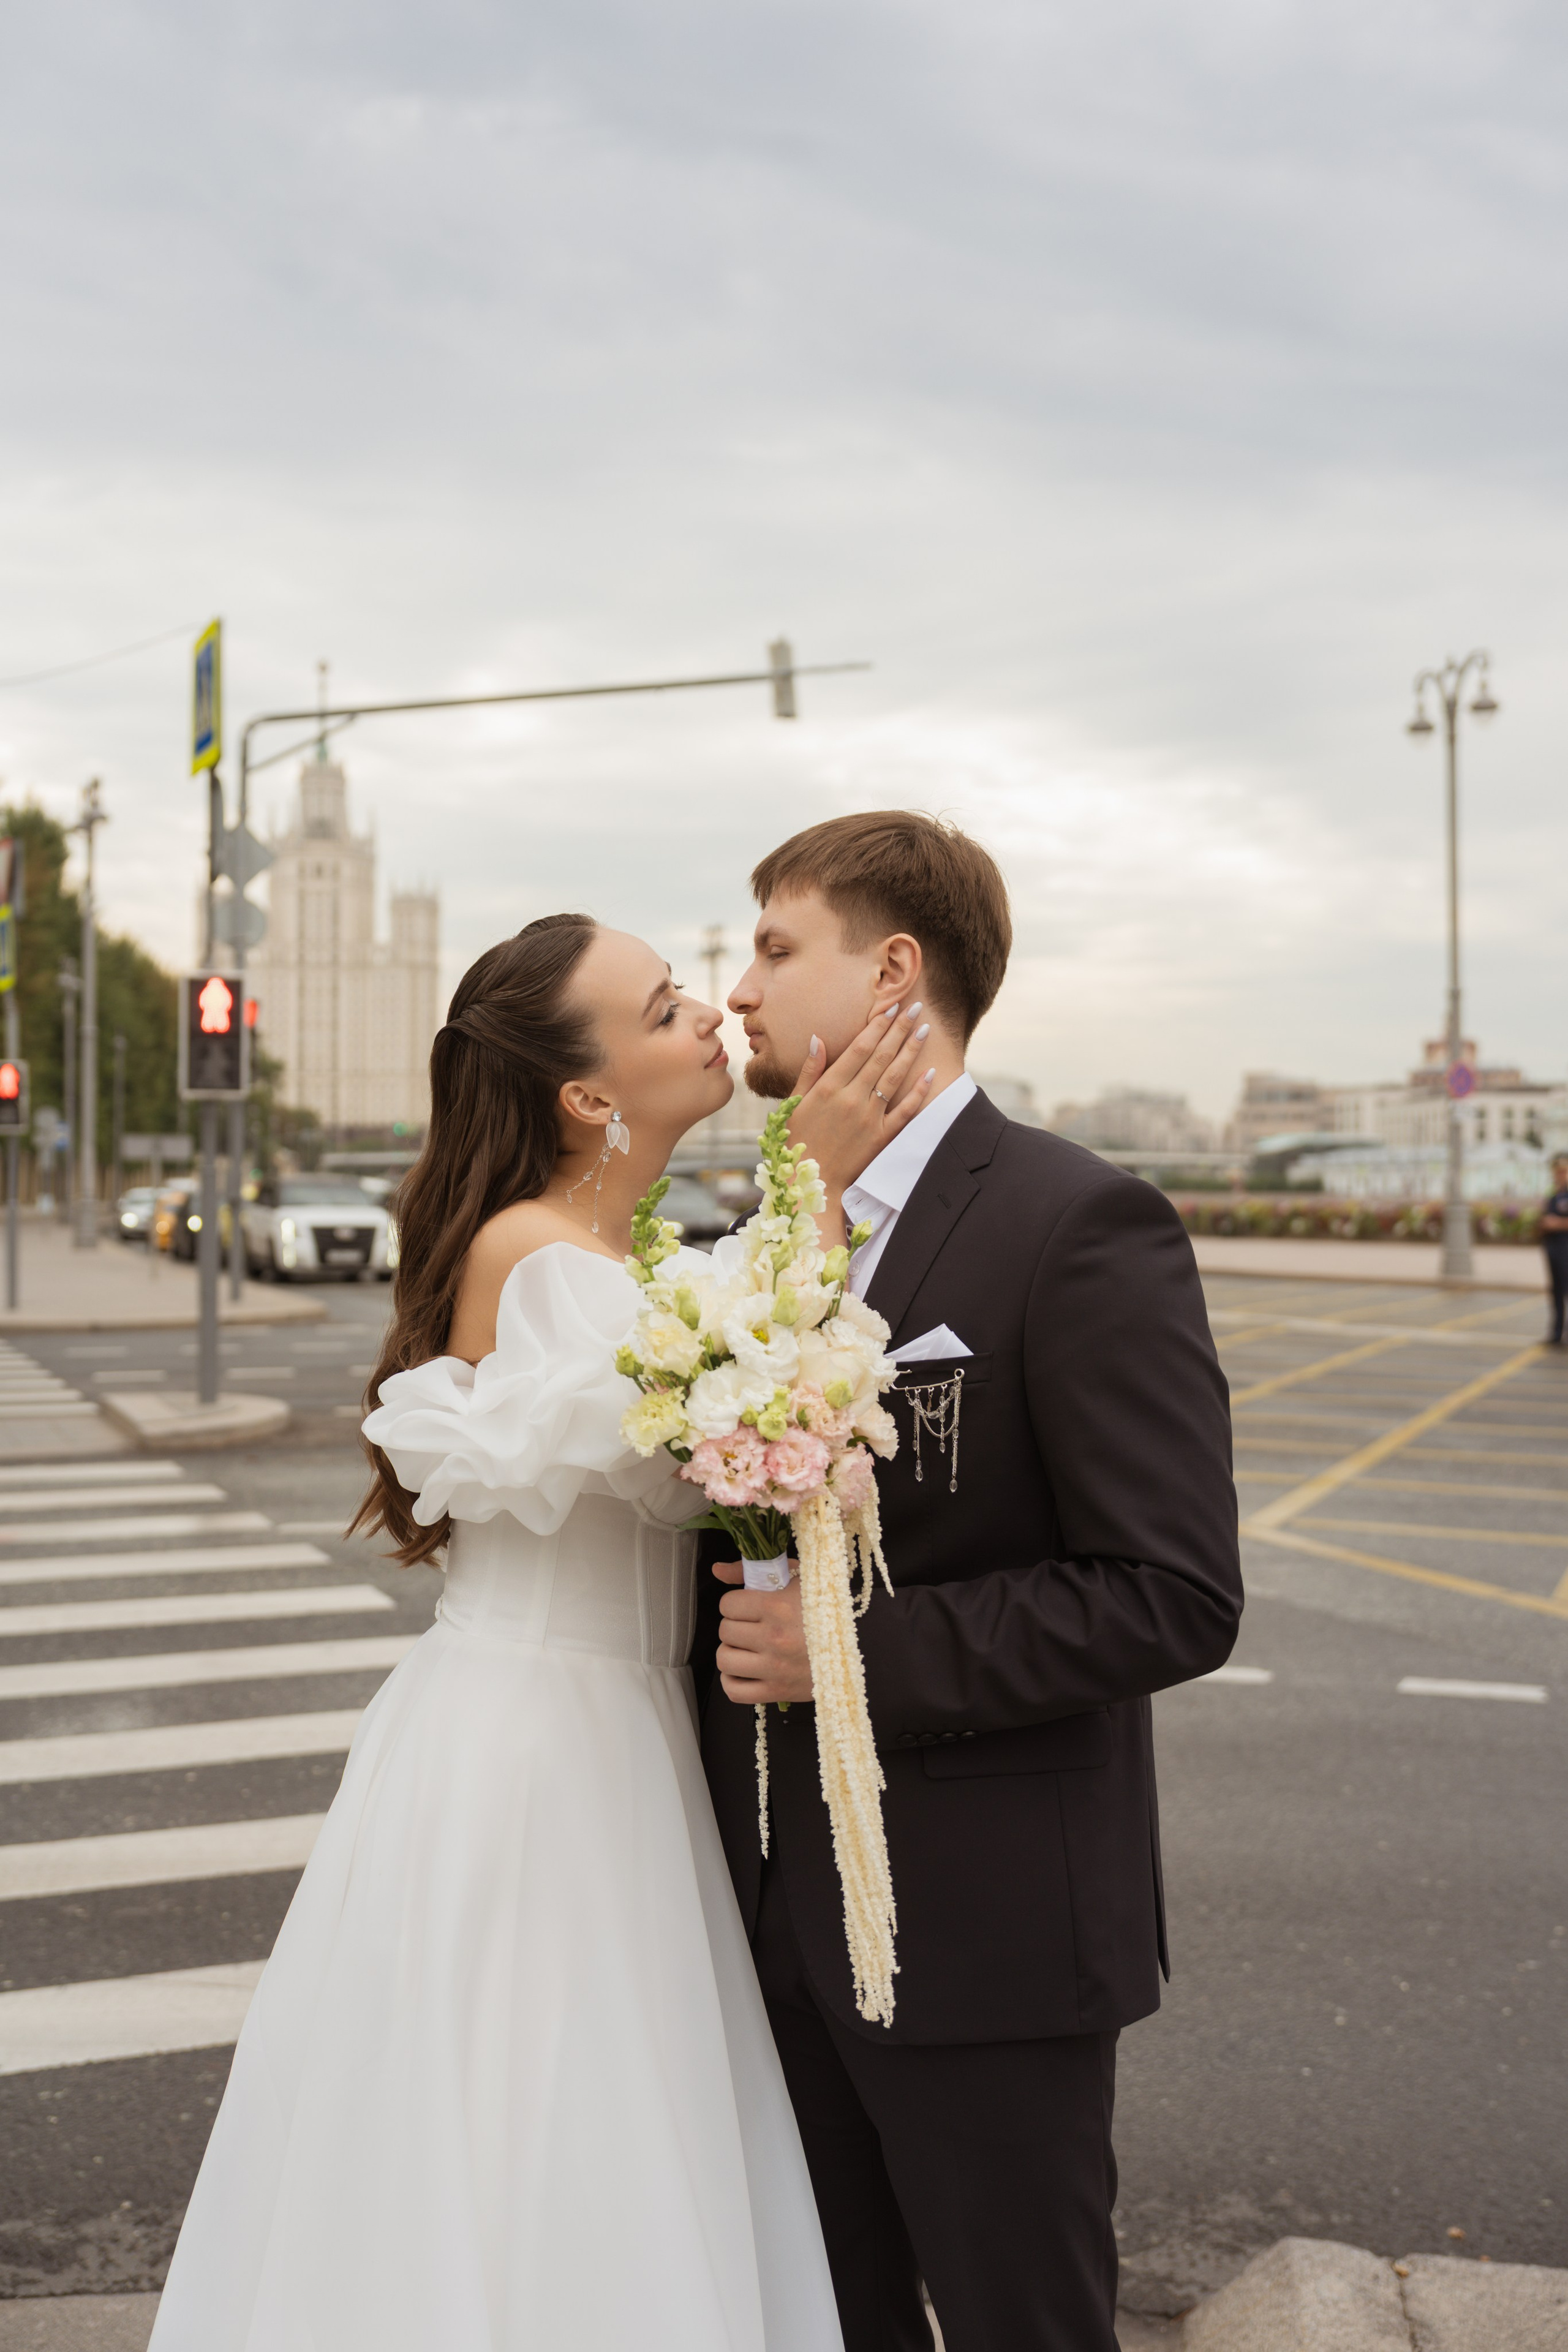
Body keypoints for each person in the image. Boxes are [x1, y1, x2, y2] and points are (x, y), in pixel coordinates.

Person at [149, 912, 932, 2352]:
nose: (706, 1012)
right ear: (586, 1094)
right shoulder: (542, 1255)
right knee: (537, 2109)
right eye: (659, 1007)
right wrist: (804, 1183)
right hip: (543, 1746)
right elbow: (735, 1409)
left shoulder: (611, 1247)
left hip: (592, 1730)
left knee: (566, 2103)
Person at [694, 812, 1243, 2352]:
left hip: (982, 1941)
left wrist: (850, 1651)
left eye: (773, 947)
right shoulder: (769, 1236)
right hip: (776, 1922)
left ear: (890, 970)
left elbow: (1170, 1591)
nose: (736, 988)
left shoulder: (1075, 1221)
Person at [1542, 1153, 1568, 1346]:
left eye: (1563, 1172)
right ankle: (1557, 1332)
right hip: (1554, 1248)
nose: (1559, 1176)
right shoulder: (1555, 1194)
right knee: (1556, 1291)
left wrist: (1556, 1223)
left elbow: (1555, 1220)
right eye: (1557, 1172)